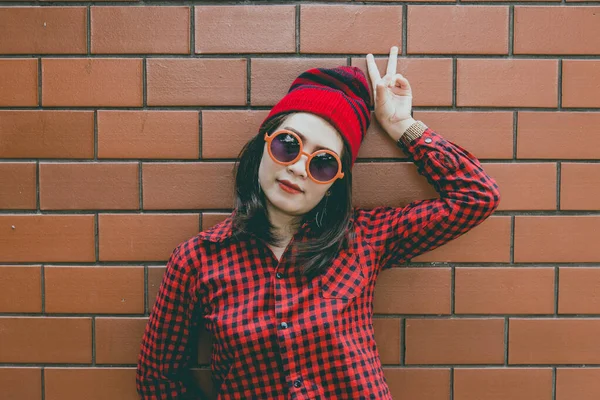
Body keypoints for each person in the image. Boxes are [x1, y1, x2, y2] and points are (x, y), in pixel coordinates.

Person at [135, 46, 501, 399]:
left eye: (322, 162)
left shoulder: (364, 239)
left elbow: (476, 196)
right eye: (287, 145)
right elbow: (158, 379)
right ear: (263, 146)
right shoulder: (197, 260)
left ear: (333, 184)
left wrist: (402, 124)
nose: (297, 167)